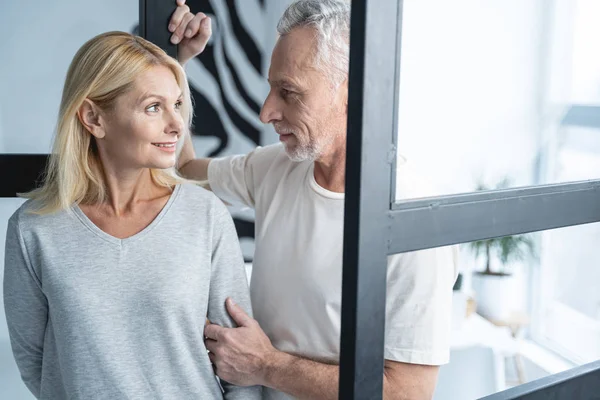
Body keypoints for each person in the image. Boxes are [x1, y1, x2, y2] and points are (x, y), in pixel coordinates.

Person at [177, 0, 457, 399]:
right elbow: (184, 171)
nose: (266, 112)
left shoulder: (414, 217)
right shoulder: (274, 168)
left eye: (288, 92)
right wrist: (179, 64)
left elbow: (407, 394)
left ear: (351, 90)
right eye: (271, 88)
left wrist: (265, 365)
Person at [3, 9, 261, 399]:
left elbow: (240, 370)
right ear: (93, 117)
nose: (176, 125)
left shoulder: (204, 215)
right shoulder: (34, 228)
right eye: (153, 107)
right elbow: (35, 361)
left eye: (177, 104)